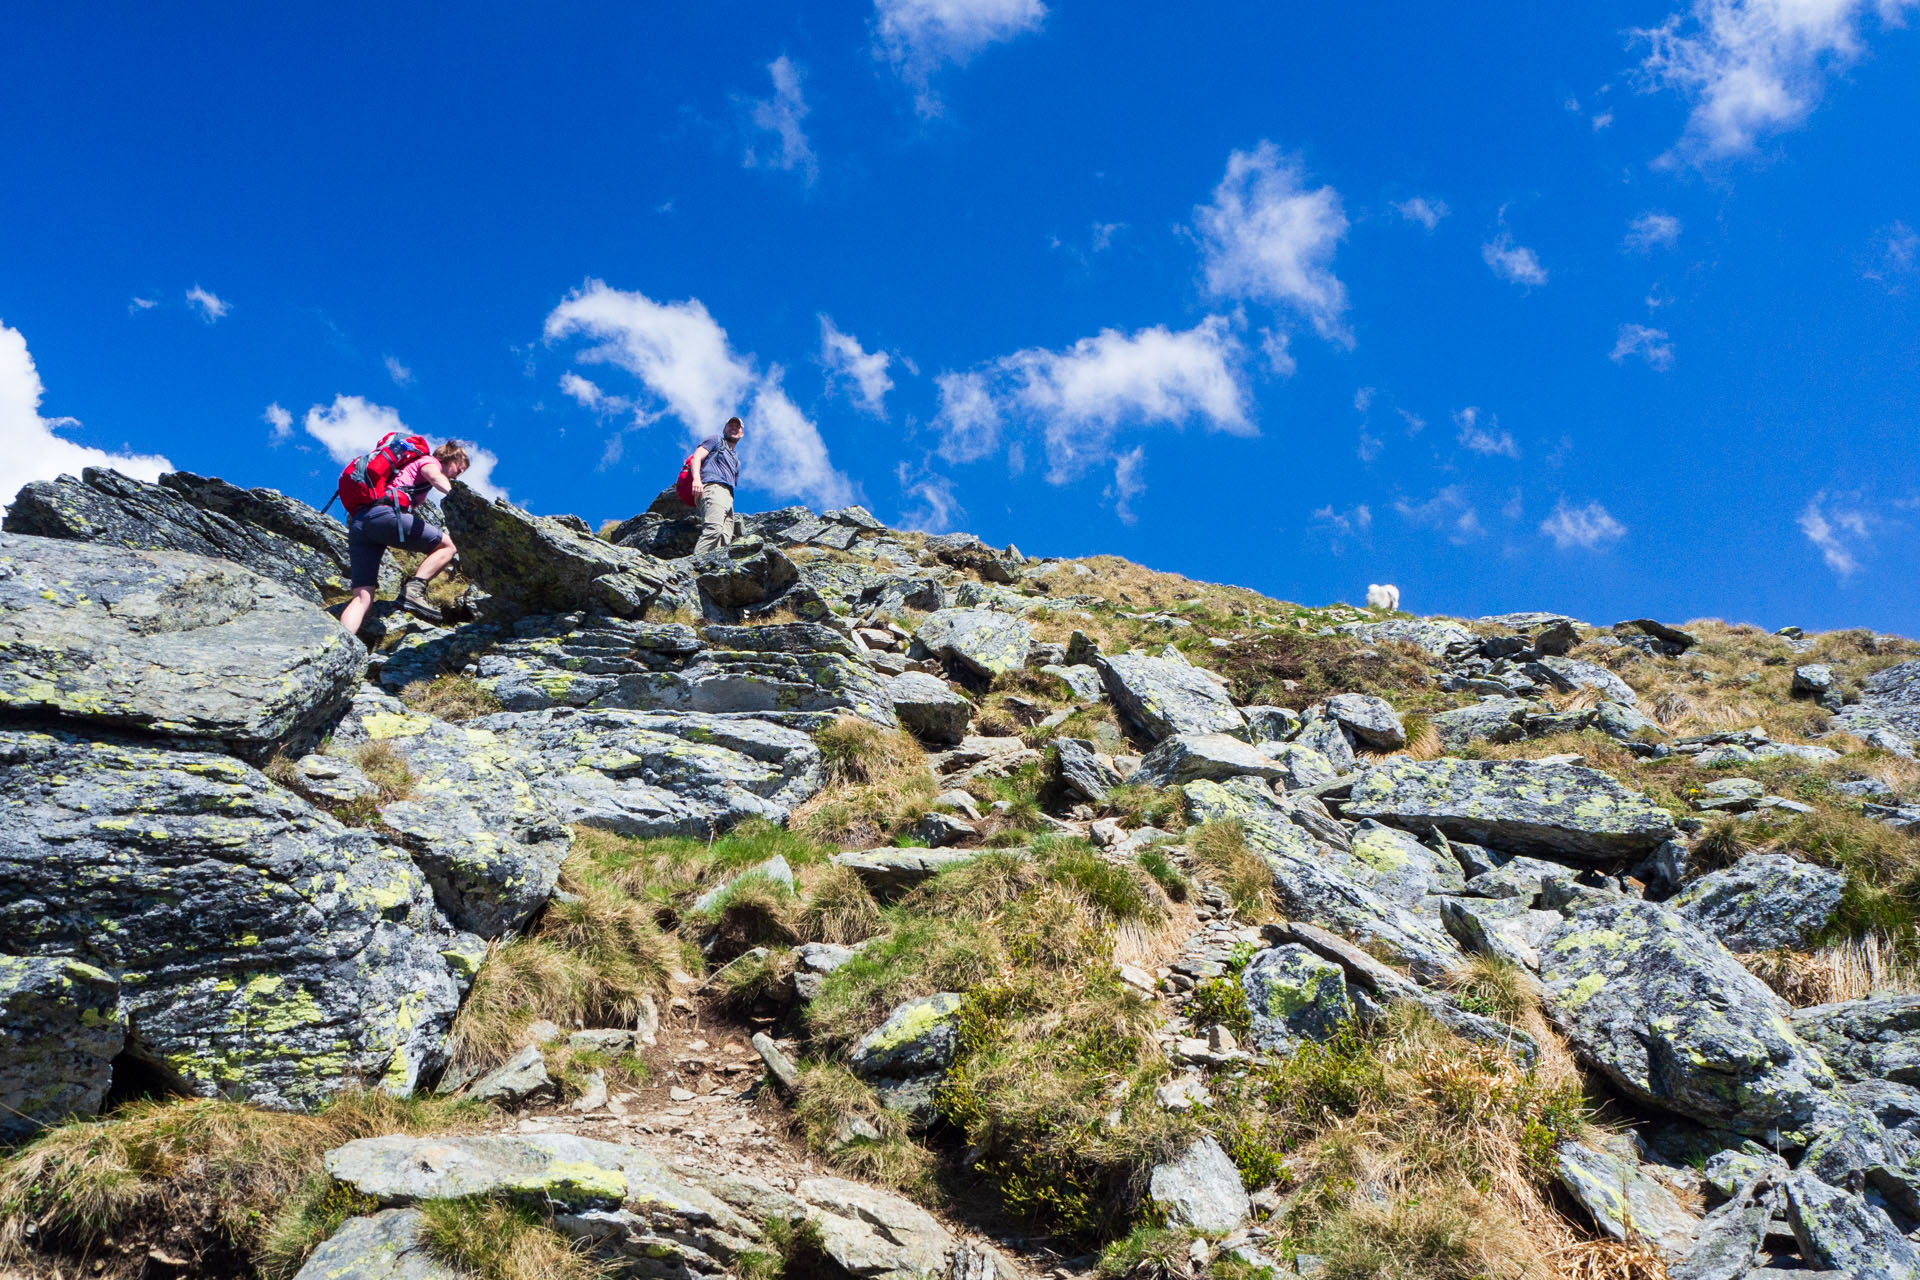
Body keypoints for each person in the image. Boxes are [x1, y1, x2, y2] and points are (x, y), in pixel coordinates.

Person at [338, 441, 471, 636]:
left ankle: (342, 643)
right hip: (383, 515)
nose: (457, 474)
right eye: (458, 468)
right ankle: (414, 590)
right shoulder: (429, 461)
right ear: (450, 457)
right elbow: (435, 477)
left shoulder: (405, 469)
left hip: (359, 523)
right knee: (448, 545)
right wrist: (461, 498)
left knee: (363, 596)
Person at [689, 416, 745, 556]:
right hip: (713, 487)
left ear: (741, 433)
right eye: (730, 426)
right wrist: (696, 479)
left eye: (736, 427)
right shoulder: (715, 440)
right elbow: (696, 458)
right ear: (724, 429)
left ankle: (710, 569)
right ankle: (693, 565)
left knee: (724, 537)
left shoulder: (736, 460)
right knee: (713, 529)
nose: (733, 428)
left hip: (728, 496)